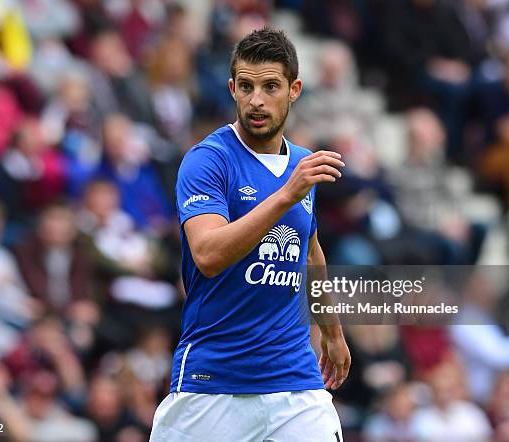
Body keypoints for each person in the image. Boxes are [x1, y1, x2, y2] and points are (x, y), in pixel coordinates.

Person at [149, 27, 351, 442]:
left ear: (294, 90)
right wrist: (285, 195)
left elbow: (310, 254)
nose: (257, 99)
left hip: (295, 384)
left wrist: (332, 332)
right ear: (232, 88)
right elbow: (207, 253)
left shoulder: (301, 163)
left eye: (270, 86)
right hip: (214, 382)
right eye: (247, 86)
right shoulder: (208, 160)